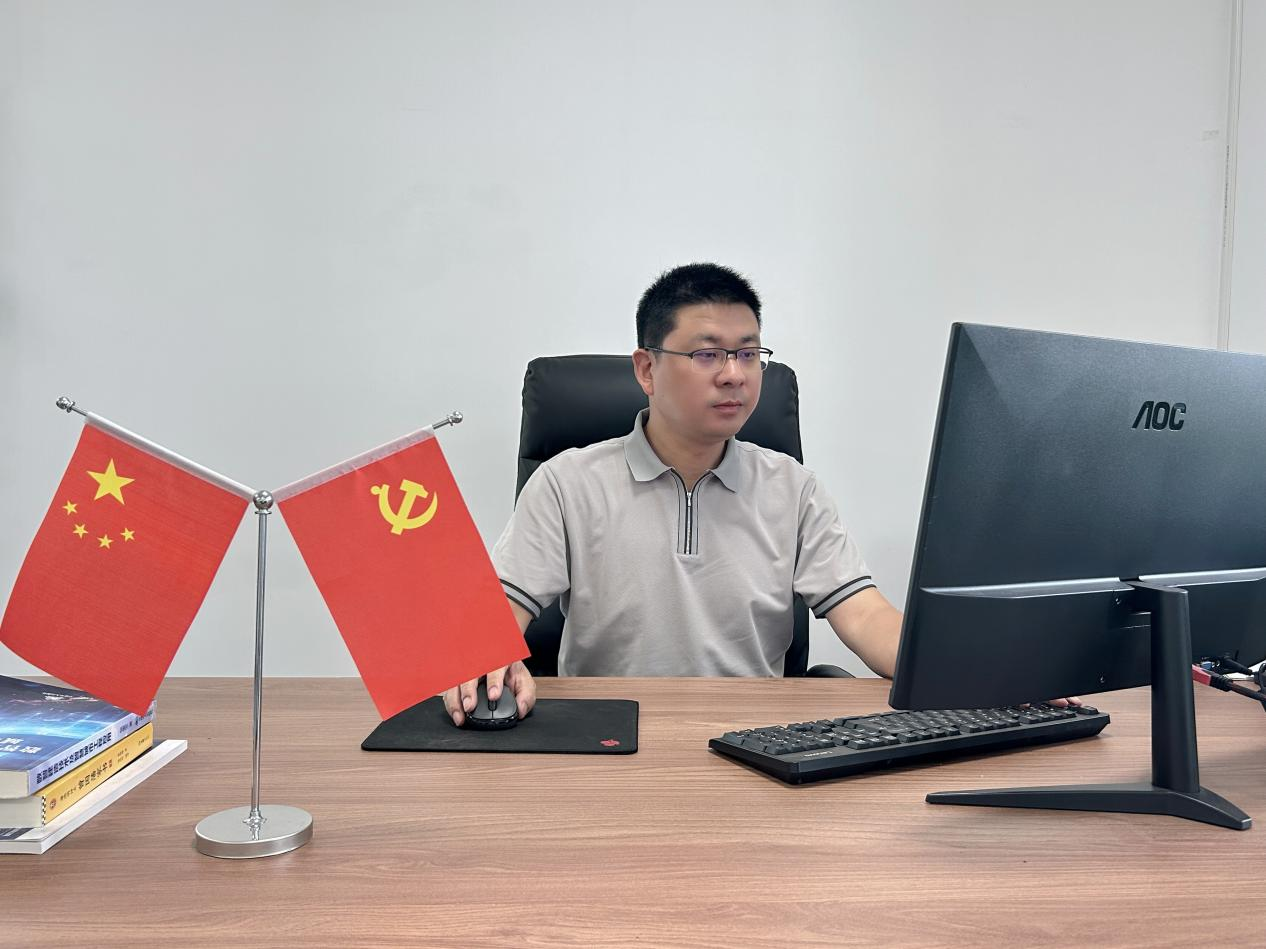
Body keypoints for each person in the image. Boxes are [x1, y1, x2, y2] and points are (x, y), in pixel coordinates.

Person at [443, 262, 909, 726]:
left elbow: (865, 616)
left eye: (748, 354)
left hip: (754, 739)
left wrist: (939, 665)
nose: (734, 374)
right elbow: (498, 616)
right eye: (708, 355)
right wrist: (490, 659)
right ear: (647, 369)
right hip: (605, 735)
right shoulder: (566, 483)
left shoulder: (794, 489)